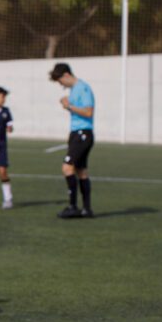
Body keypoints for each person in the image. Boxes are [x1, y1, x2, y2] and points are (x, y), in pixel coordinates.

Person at [49, 62, 95, 219]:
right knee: (81, 171)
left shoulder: (83, 88)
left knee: (67, 168)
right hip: (77, 133)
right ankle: (86, 209)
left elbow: (88, 112)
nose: (61, 85)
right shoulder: (75, 90)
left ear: (66, 75)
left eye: (61, 81)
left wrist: (69, 106)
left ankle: (73, 206)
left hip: (83, 133)